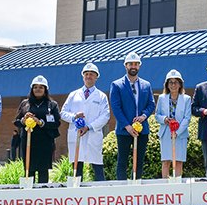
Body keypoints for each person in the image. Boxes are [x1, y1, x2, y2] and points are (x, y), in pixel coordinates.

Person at [110, 52, 156, 180]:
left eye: (136, 64)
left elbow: (151, 104)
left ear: (139, 66)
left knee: (139, 161)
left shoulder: (146, 85)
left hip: (143, 130)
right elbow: (116, 108)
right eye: (130, 64)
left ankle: (136, 187)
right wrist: (127, 126)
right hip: (124, 130)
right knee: (122, 161)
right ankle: (122, 189)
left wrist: (143, 116)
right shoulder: (116, 85)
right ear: (126, 66)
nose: (133, 66)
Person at [61, 63, 110, 181]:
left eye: (92, 74)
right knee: (77, 167)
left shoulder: (101, 96)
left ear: (96, 77)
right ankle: (77, 193)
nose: (89, 76)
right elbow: (62, 113)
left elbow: (105, 115)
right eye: (86, 74)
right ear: (83, 77)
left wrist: (89, 127)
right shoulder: (73, 95)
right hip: (76, 134)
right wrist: (74, 117)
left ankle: (100, 193)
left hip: (92, 134)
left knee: (97, 166)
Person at [14, 75, 60, 184]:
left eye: (41, 87)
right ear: (31, 89)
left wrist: (40, 122)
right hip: (28, 142)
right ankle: (29, 194)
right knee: (29, 169)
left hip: (45, 142)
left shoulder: (52, 105)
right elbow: (16, 121)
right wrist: (23, 120)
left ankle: (42, 194)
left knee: (43, 170)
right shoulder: (25, 103)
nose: (38, 89)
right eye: (35, 87)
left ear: (45, 90)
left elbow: (57, 122)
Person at [154, 69, 191, 178]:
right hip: (166, 134)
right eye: (170, 82)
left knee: (179, 161)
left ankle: (177, 186)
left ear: (180, 84)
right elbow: (157, 115)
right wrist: (164, 119)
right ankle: (166, 186)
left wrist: (177, 132)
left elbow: (187, 118)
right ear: (167, 84)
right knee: (166, 161)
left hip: (180, 134)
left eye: (176, 82)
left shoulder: (186, 99)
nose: (173, 85)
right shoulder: (162, 98)